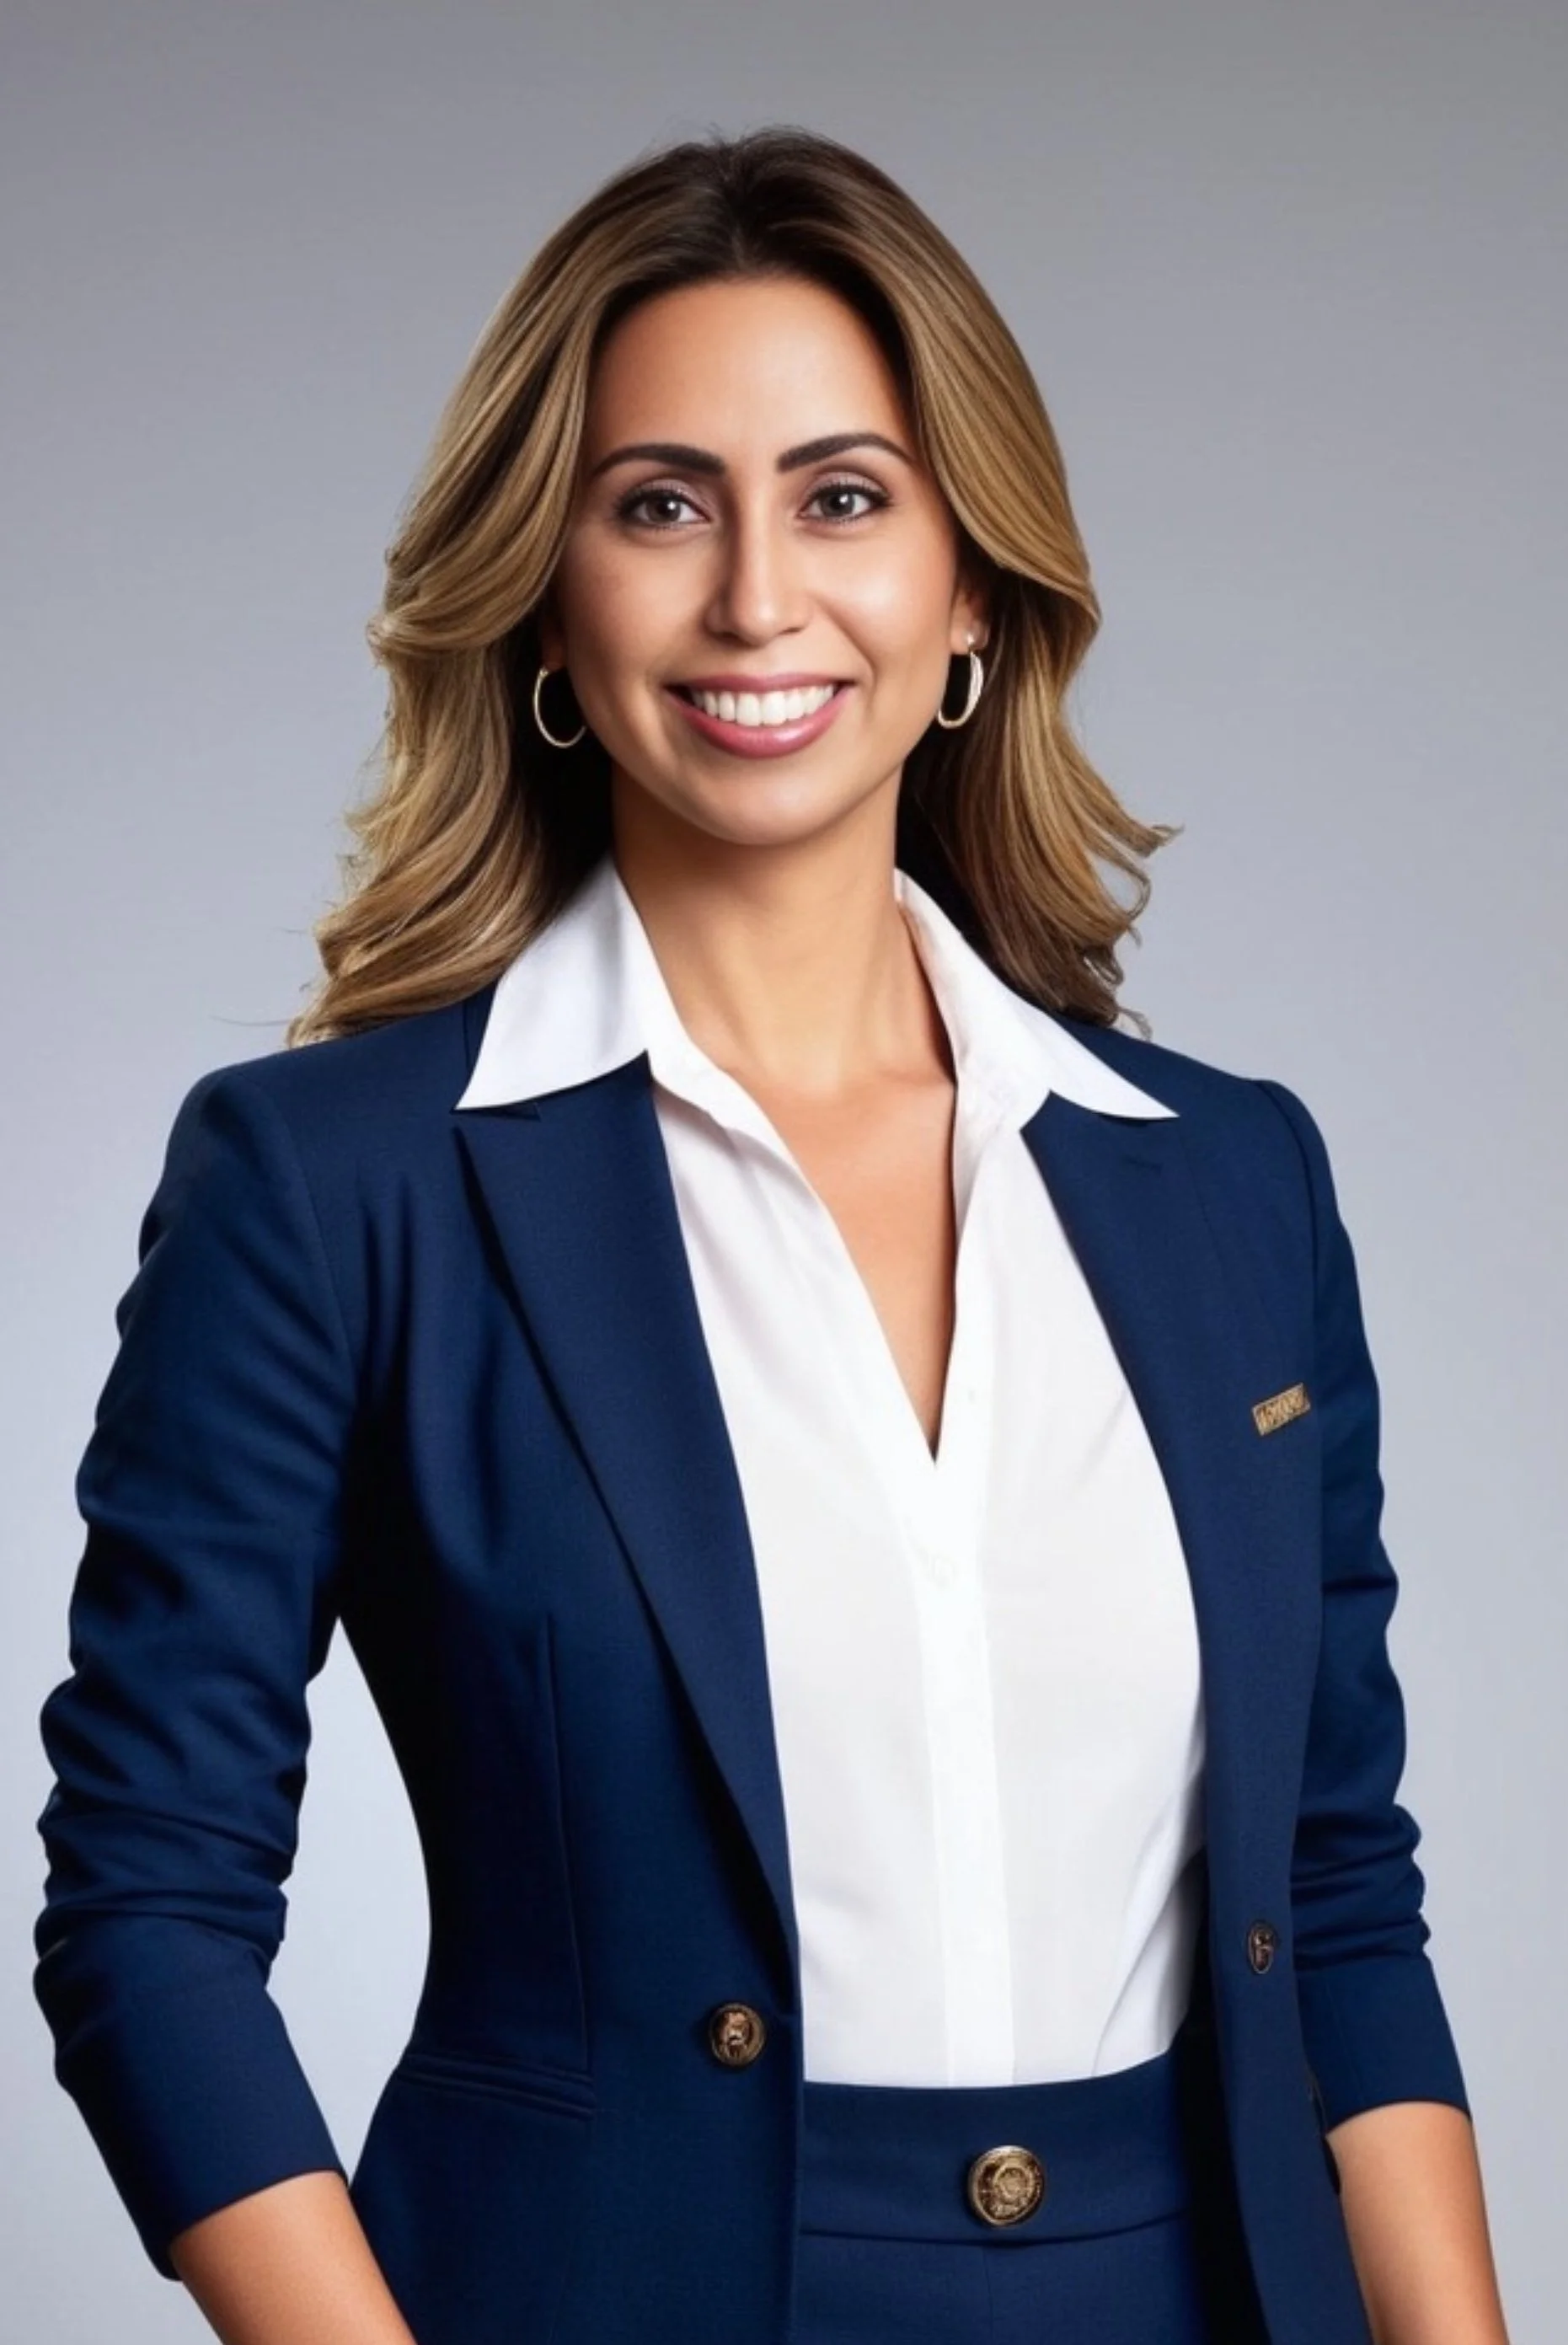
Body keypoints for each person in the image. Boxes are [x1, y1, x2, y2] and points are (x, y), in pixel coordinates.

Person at [32, 126, 1511, 2345]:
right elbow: (146, 1908)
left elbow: (1336, 1889)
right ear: (549, 599)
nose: (751, 596)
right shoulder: (335, 1184)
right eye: (657, 504)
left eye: (841, 496)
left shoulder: (1226, 1181)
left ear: (971, 596)